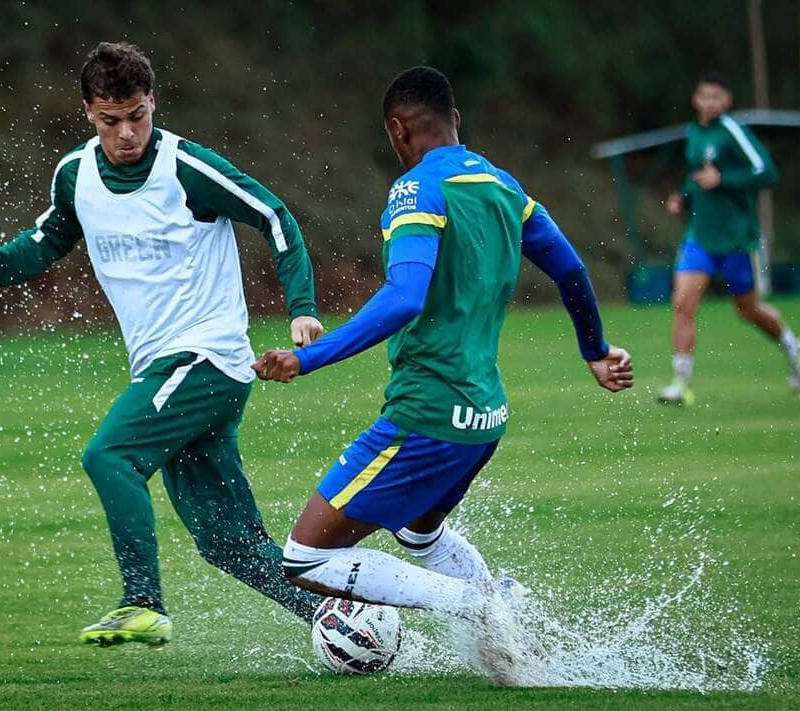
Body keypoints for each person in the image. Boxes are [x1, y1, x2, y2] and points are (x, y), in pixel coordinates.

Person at [0, 41, 325, 646]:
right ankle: (343, 616)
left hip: (207, 357)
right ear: (88, 111)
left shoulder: (187, 168)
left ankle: (141, 600)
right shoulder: (75, 174)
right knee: (226, 542)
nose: (126, 133)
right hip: (169, 368)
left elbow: (275, 217)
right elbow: (48, 239)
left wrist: (301, 309)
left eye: (137, 116)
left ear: (152, 104)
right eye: (110, 119)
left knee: (109, 456)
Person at [252, 66, 632, 674]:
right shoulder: (505, 187)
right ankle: (512, 651)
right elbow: (572, 270)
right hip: (484, 417)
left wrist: (305, 357)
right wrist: (595, 349)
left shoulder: (414, 190)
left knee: (302, 560)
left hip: (426, 414)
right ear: (455, 119)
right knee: (418, 535)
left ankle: (482, 603)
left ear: (397, 129)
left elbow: (406, 297)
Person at [659, 71, 800, 406]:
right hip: (700, 235)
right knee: (683, 303)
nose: (710, 102)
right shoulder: (694, 132)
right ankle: (680, 384)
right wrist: (682, 197)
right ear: (695, 99)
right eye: (704, 96)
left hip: (736, 239)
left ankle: (792, 346)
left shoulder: (733, 131)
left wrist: (724, 178)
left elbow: (767, 172)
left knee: (748, 310)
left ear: (727, 101)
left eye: (717, 97)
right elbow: (697, 175)